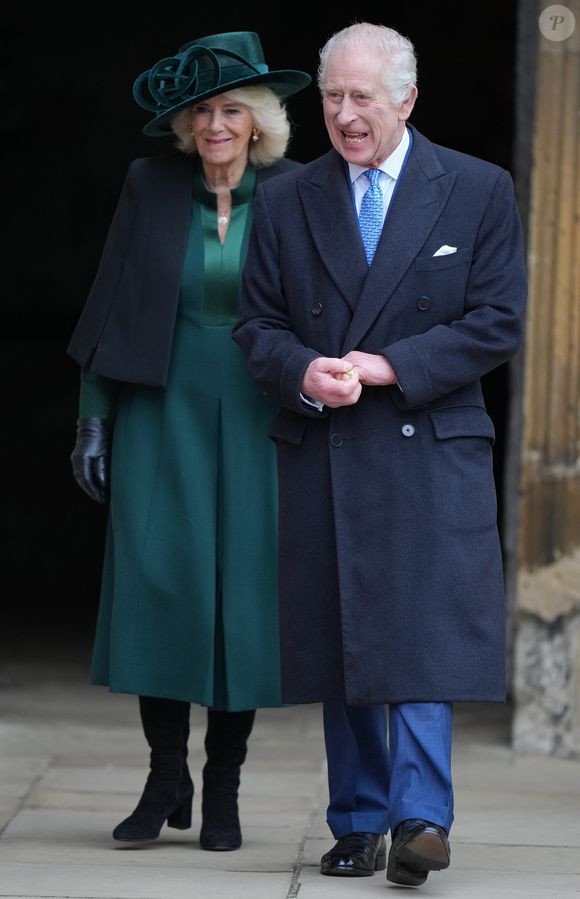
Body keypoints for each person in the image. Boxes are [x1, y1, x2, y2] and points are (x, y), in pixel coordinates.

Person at [232, 21, 527, 886]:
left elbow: (499, 319)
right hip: (326, 438)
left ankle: (421, 817)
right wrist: (303, 372)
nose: (346, 114)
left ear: (407, 98)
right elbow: (257, 324)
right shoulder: (287, 197)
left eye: (363, 97)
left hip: (429, 441)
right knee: (348, 636)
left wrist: (392, 362)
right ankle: (360, 821)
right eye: (332, 96)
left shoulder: (477, 188)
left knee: (421, 633)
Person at [67, 31, 310, 851]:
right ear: (185, 125)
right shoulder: (150, 184)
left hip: (257, 412)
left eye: (231, 109)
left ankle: (224, 786)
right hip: (159, 409)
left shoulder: (298, 192)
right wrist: (93, 416)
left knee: (240, 602)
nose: (215, 124)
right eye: (202, 110)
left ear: (259, 122)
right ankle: (164, 773)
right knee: (161, 590)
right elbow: (110, 302)